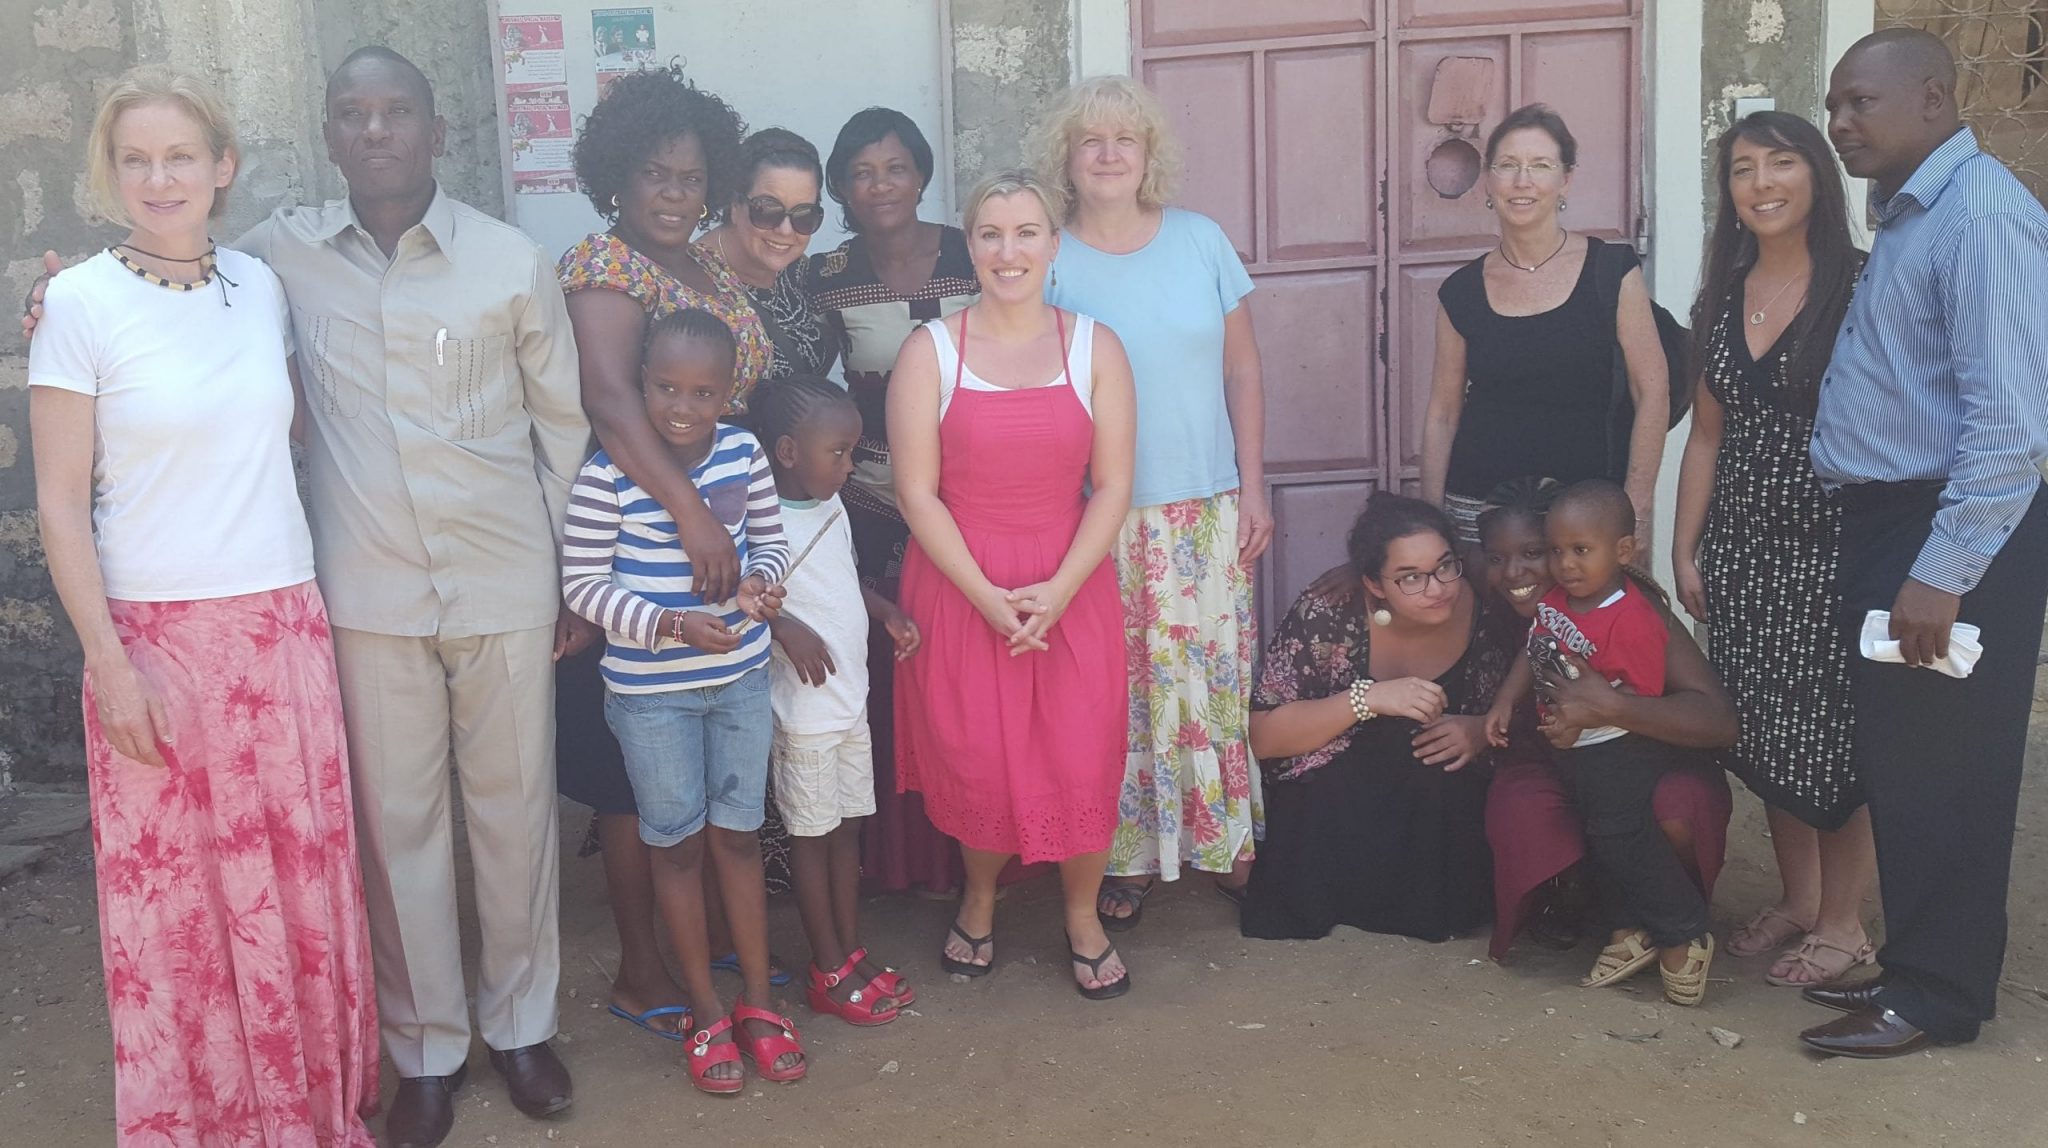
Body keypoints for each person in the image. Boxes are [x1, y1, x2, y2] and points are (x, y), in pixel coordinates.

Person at [27, 64, 379, 1147]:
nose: (158, 177)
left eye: (181, 155)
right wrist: (109, 661)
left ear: (222, 167)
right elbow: (57, 504)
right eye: (135, 159)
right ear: (111, 174)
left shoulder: (258, 287)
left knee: (297, 889)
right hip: (157, 642)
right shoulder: (80, 301)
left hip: (281, 630)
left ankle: (309, 1111)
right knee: (180, 915)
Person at [1798, 29, 2048, 1058]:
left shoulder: (1982, 217)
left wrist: (1937, 577)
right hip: (1892, 521)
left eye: (1858, 102)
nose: (1838, 123)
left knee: (1943, 763)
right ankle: (1914, 969)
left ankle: (1935, 997)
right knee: (1905, 757)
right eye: (1831, 104)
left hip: (1943, 535)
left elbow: (2010, 426)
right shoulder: (1910, 212)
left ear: (1933, 100)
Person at [552, 66, 790, 1044]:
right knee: (635, 781)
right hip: (640, 540)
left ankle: (696, 952)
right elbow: (613, 402)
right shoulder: (602, 265)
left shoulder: (708, 269)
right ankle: (643, 963)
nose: (673, 193)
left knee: (700, 788)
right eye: (654, 174)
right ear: (616, 176)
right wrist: (691, 513)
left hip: (722, 543)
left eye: (691, 178)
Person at [889, 170, 1138, 998]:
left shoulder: (1096, 347)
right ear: (972, 248)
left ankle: (1081, 913)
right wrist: (988, 597)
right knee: (981, 759)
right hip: (963, 586)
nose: (1008, 250)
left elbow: (1112, 487)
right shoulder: (931, 351)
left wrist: (1060, 589)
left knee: (1081, 753)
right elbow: (916, 493)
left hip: (1073, 583)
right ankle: (982, 894)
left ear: (1053, 245)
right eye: (991, 234)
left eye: (1026, 232)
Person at [1030, 75, 1267, 928]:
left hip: (1204, 504)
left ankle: (1220, 838)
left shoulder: (1201, 241)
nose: (1107, 153)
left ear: (1148, 156)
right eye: (1090, 139)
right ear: (1067, 156)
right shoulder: (1049, 256)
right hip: (1101, 513)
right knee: (1120, 690)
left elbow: (1242, 368)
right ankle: (1125, 856)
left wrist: (1255, 482)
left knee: (1208, 679)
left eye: (1124, 139)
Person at [561, 309, 801, 1092]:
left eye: (703, 392)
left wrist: (764, 583)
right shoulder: (606, 475)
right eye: (665, 386)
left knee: (738, 837)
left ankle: (759, 1001)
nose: (682, 406)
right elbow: (584, 587)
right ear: (641, 383)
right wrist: (668, 624)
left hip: (737, 680)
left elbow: (770, 538)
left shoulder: (743, 453)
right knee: (677, 845)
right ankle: (705, 1011)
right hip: (650, 695)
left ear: (730, 394)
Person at [1672, 111, 1873, 987]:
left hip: (1837, 547)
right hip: (1742, 551)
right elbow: (1707, 438)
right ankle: (1798, 899)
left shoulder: (1864, 285)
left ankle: (1845, 923)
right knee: (1764, 731)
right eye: (1743, 168)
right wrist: (1685, 549)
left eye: (1781, 162)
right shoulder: (1720, 295)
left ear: (1817, 177)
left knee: (1836, 736)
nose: (1761, 183)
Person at [811, 107, 981, 895]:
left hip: (975, 500)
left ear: (922, 173)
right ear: (842, 187)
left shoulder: (972, 253)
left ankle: (980, 853)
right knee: (894, 675)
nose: (880, 184)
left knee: (971, 678)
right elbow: (810, 392)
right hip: (874, 504)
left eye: (895, 167)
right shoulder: (825, 276)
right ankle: (906, 863)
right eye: (861, 172)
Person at [1475, 479, 1735, 962]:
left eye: (1538, 552)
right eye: (1497, 558)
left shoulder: (1631, 612)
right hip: (1554, 754)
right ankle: (1578, 904)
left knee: (1643, 814)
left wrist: (1608, 709)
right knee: (1526, 812)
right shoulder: (1518, 605)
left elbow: (1717, 720)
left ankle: (1673, 926)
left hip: (1629, 747)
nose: (1516, 572)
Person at [1241, 494, 1497, 943]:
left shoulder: (1485, 609)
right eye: (1410, 578)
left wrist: (1480, 731)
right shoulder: (1329, 611)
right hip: (1341, 794)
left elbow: (1532, 710)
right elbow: (1263, 737)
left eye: (1444, 566)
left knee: (1440, 776)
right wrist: (1368, 699)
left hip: (1431, 808)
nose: (1436, 588)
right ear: (1375, 585)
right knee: (1320, 790)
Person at [1419, 104, 1670, 546]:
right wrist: (1432, 521)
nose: (1523, 181)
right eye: (1508, 166)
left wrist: (1638, 509)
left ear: (1565, 180)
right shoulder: (1460, 293)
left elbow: (1652, 392)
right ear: (1489, 182)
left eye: (1540, 165)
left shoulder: (1611, 272)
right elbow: (1442, 414)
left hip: (1588, 516)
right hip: (1481, 518)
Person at [752, 376, 922, 1025]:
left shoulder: (830, 505)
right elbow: (734, 597)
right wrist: (782, 625)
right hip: (805, 714)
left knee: (848, 827)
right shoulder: (758, 516)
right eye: (839, 452)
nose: (851, 466)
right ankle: (826, 966)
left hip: (850, 700)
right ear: (789, 451)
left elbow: (841, 579)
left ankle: (850, 952)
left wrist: (884, 611)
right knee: (813, 836)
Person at [697, 128, 834, 377]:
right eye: (767, 210)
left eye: (804, 214)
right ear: (734, 204)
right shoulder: (691, 283)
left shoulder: (800, 272)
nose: (785, 230)